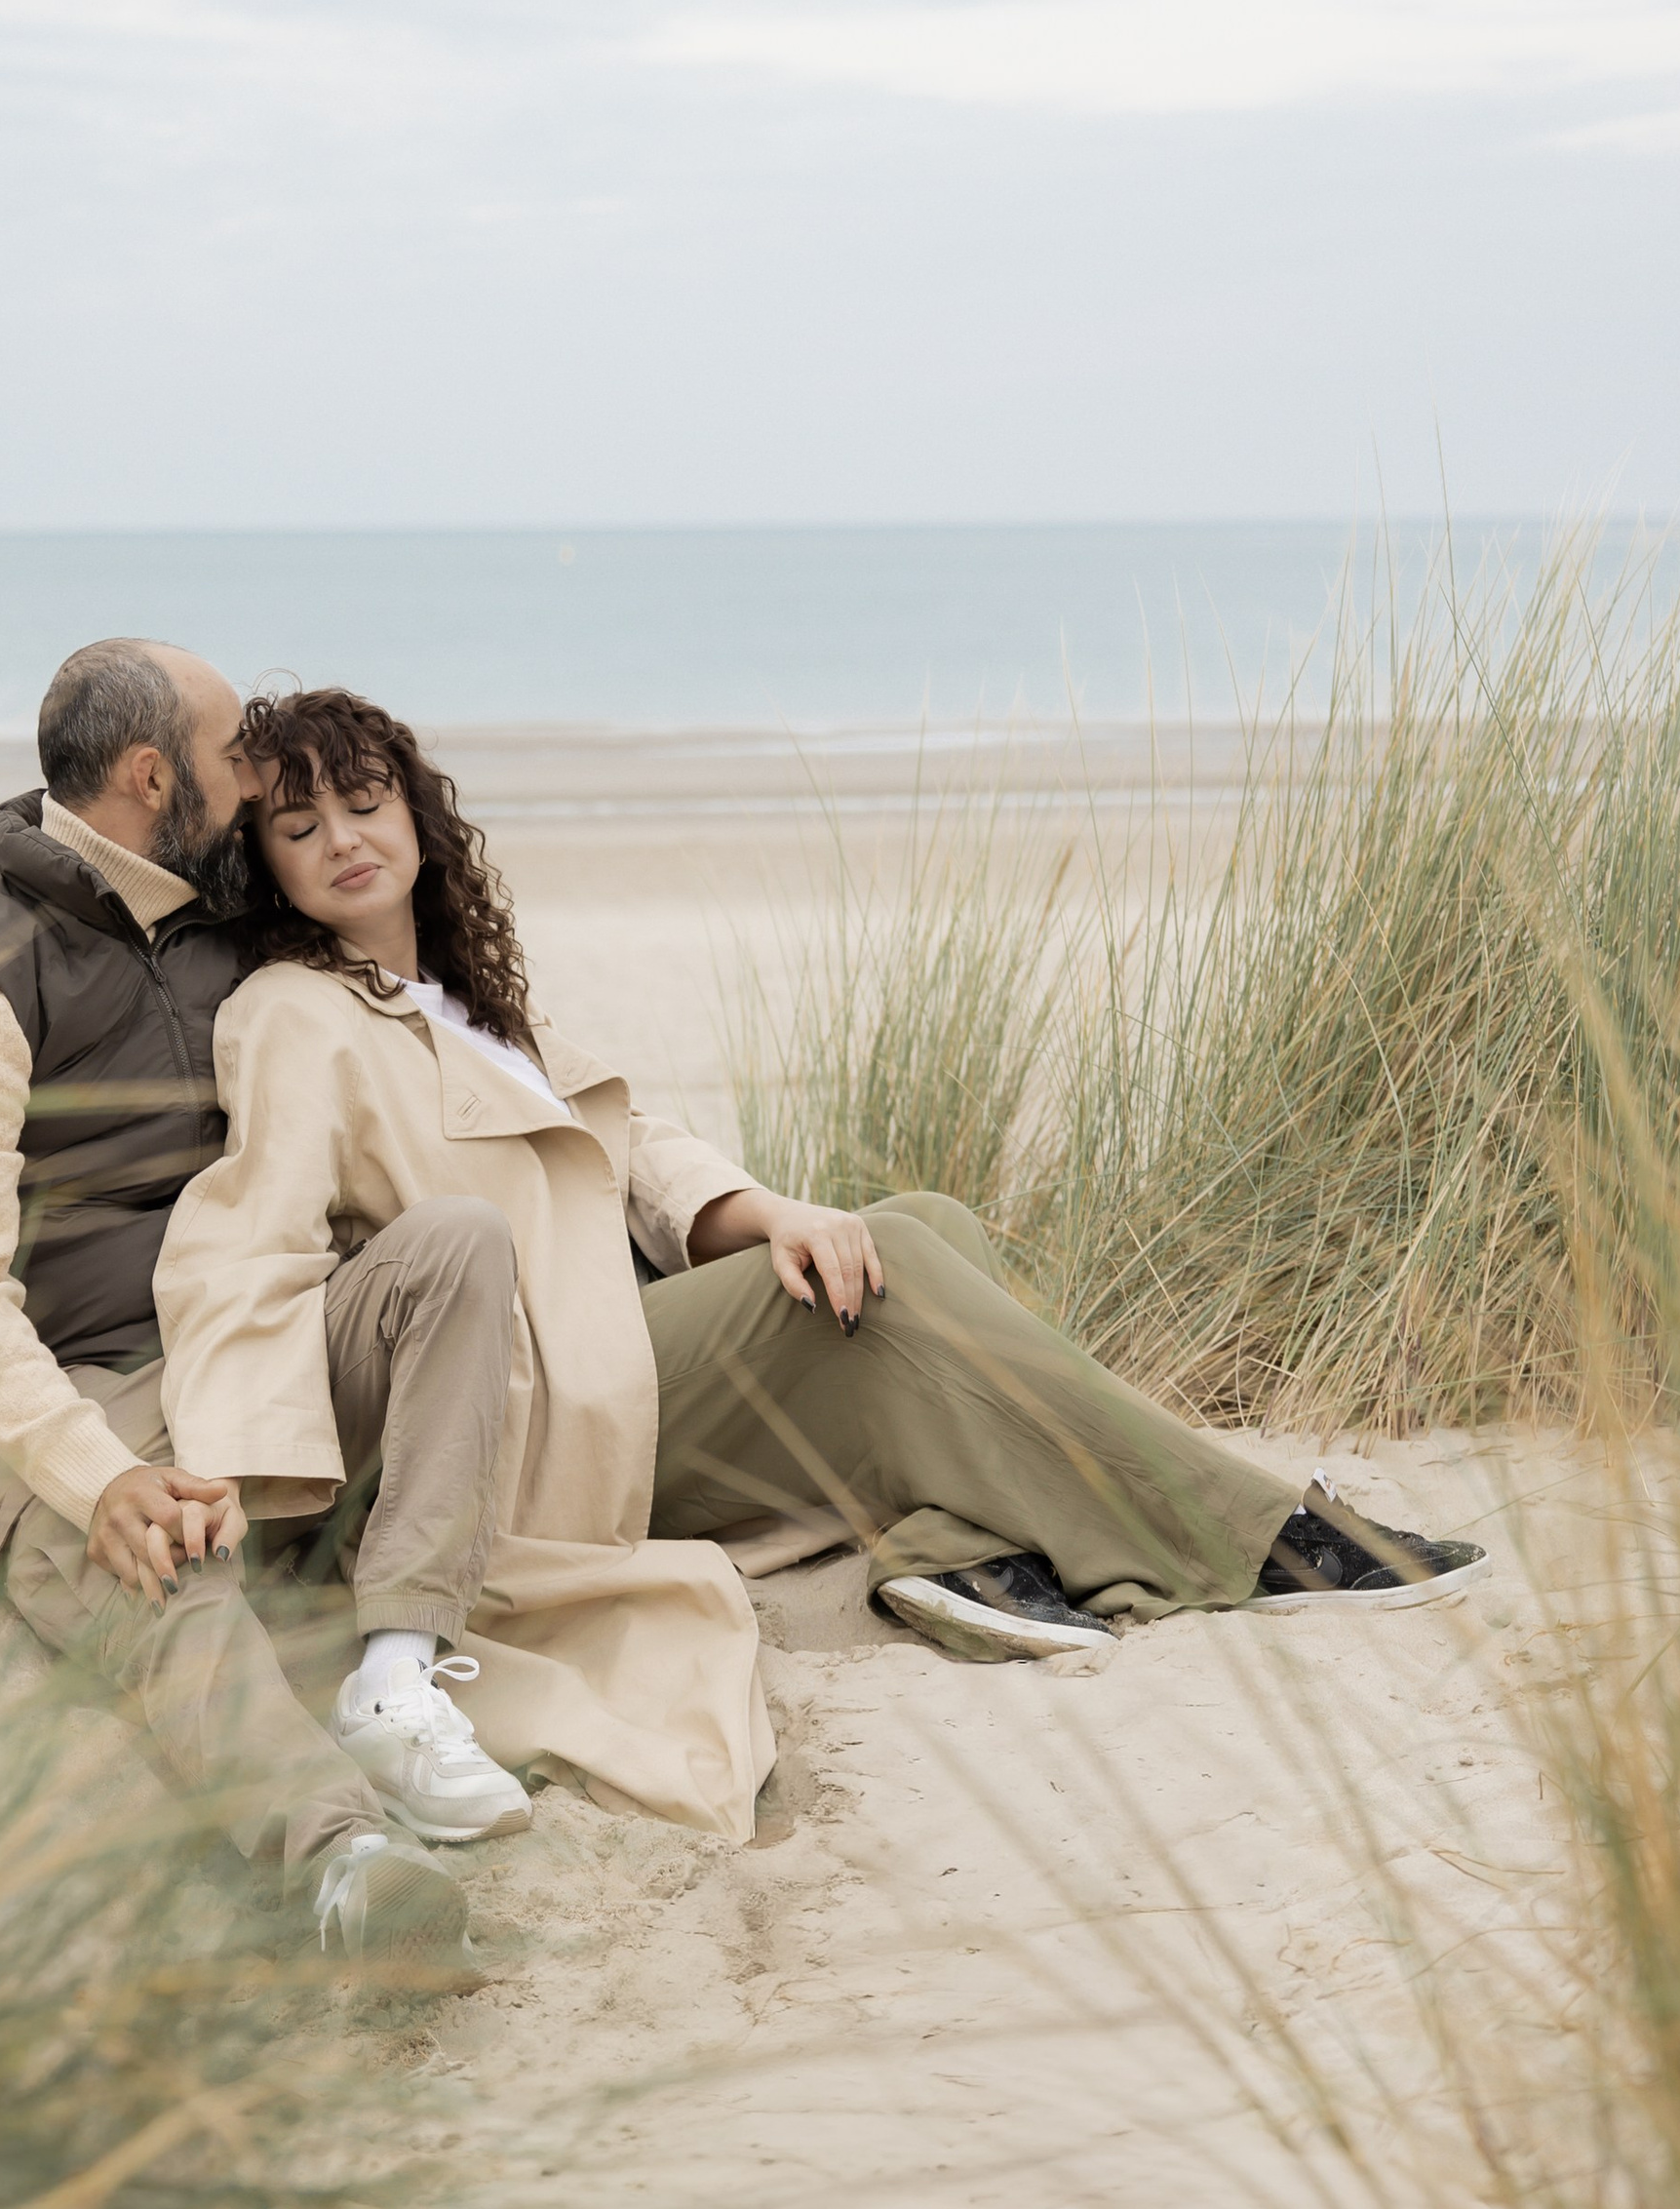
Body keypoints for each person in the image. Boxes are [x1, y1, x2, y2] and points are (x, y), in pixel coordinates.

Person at [153, 688, 1488, 1850]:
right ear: (264, 865)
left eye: (366, 803)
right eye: (301, 826)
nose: (345, 840)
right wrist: (240, 1493)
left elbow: (636, 1147)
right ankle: (1260, 1532)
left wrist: (772, 1210)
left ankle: (945, 1553)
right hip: (535, 1407)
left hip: (618, 1345)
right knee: (896, 1266)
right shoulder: (292, 1013)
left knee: (917, 1223)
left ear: (415, 815)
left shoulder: (463, 996)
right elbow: (254, 1241)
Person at [0, 637, 522, 1975]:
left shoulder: (227, 923)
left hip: (255, 1354)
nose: (259, 781)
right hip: (84, 1397)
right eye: (235, 759)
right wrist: (98, 1476)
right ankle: (343, 1861)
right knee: (166, 1571)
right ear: (154, 778)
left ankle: (399, 1670)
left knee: (451, 1246)